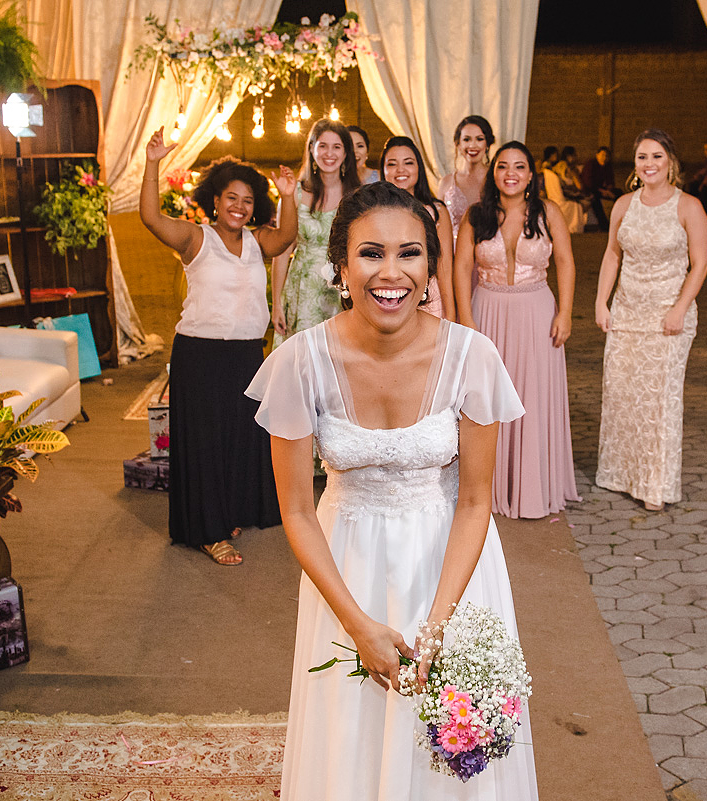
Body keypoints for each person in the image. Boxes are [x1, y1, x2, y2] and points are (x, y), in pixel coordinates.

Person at [247, 181, 538, 799]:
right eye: (370, 253)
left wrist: (435, 628)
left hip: (453, 572)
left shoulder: (473, 358)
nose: (391, 272)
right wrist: (356, 625)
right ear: (340, 266)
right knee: (352, 734)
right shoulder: (299, 363)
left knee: (451, 743)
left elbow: (475, 500)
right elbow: (297, 510)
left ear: (432, 265)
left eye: (410, 253)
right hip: (346, 571)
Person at [139, 128, 299, 564]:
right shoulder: (196, 239)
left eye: (248, 200)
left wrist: (288, 195)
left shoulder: (256, 242)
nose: (239, 207)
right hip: (201, 355)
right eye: (232, 198)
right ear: (215, 199)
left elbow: (286, 238)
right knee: (206, 443)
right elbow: (151, 219)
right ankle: (209, 531)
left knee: (240, 439)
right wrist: (152, 163)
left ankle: (229, 512)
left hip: (246, 356)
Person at [454, 142, 580, 518]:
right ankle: (486, 488)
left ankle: (531, 488)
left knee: (532, 395)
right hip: (487, 309)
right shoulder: (477, 215)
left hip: (536, 312)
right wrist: (466, 318)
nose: (511, 173)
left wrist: (567, 313)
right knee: (486, 400)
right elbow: (461, 268)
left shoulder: (548, 212)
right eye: (504, 166)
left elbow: (566, 263)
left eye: (520, 166)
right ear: (494, 173)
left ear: (530, 175)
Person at [594, 129, 707, 512]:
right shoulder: (624, 205)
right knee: (624, 396)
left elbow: (700, 264)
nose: (649, 164)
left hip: (667, 318)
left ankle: (654, 485)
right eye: (642, 157)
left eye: (657, 156)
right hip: (627, 313)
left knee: (659, 400)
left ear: (671, 162)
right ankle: (621, 476)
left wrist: (679, 308)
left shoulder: (688, 206)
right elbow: (613, 255)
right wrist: (601, 301)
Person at [272, 119, 362, 346]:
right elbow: (282, 252)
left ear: (346, 154)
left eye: (336, 147)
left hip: (342, 288)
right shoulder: (295, 193)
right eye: (322, 146)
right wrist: (277, 303)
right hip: (302, 289)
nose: (329, 153)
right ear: (312, 149)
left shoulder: (358, 196)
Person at [380, 135, 455, 319]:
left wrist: (451, 318)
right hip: (387, 293)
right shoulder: (373, 212)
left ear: (418, 168)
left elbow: (444, 270)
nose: (400, 170)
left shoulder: (436, 211)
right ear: (383, 169)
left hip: (429, 297)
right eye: (392, 164)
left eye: (408, 162)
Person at [439, 114, 495, 299]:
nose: (473, 145)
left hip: (490, 262)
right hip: (454, 261)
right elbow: (438, 226)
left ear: (487, 143)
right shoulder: (446, 183)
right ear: (458, 144)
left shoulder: (496, 180)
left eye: (479, 139)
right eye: (467, 139)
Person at [540, 146, 586, 234]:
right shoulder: (562, 167)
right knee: (582, 201)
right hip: (561, 195)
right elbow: (575, 185)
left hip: (553, 195)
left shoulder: (551, 168)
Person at [580, 146, 622, 231]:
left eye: (606, 156)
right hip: (590, 189)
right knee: (595, 199)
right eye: (602, 155)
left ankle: (619, 220)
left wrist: (609, 190)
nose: (604, 158)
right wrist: (603, 191)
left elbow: (610, 180)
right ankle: (604, 226)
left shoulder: (607, 166)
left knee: (619, 193)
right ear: (597, 155)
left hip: (602, 189)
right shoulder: (590, 164)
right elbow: (588, 183)